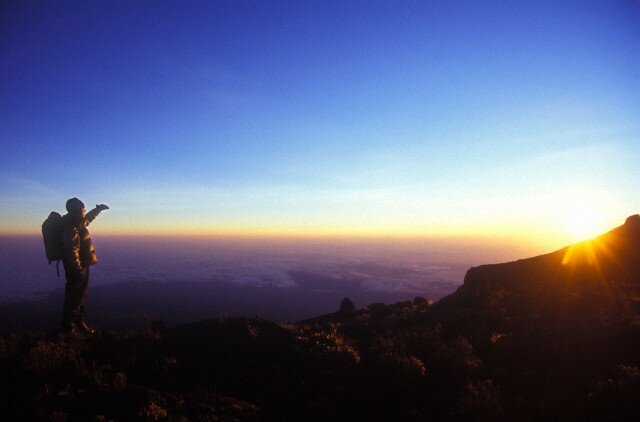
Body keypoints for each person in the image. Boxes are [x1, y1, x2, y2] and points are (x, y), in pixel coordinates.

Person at [61, 197, 109, 334]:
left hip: (81, 265)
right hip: (77, 267)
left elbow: (87, 219)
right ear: (77, 210)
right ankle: (68, 327)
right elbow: (71, 249)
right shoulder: (71, 225)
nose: (84, 210)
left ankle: (78, 321)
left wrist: (97, 210)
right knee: (74, 296)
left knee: (82, 295)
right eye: (83, 208)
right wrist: (76, 268)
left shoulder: (77, 222)